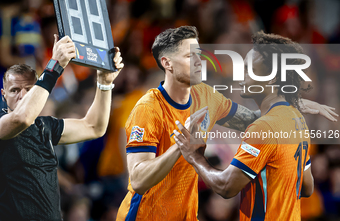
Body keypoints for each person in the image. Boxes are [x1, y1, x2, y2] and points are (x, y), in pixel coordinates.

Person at [116, 26, 336, 221]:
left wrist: (289, 105)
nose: (198, 61)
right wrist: (180, 148)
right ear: (167, 63)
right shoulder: (148, 108)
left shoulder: (207, 96)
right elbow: (137, 180)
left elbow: (256, 122)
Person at [0, 34, 124, 221]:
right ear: (3, 95)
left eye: (29, 90)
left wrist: (105, 83)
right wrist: (55, 65)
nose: (22, 95)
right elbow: (22, 118)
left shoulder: (45, 127)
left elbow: (94, 127)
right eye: (15, 90)